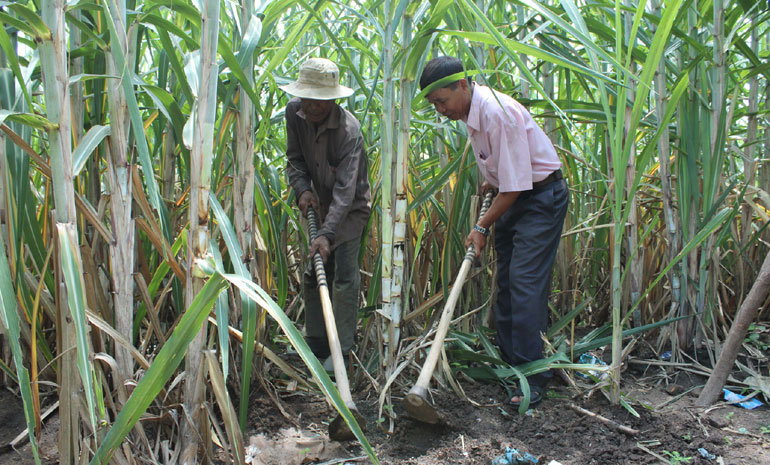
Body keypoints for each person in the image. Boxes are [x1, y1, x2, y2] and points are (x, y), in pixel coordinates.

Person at [419, 56, 568, 406]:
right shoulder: (470, 113)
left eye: (442, 101)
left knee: (524, 283)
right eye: (434, 105)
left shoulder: (497, 112)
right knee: (507, 282)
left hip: (538, 199)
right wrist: (491, 180)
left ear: (462, 85)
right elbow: (502, 167)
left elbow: (516, 186)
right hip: (513, 196)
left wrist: (480, 226)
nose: (441, 110)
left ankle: (533, 379)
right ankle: (512, 363)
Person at [280, 58, 371, 371]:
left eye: (319, 101)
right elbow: (294, 160)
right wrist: (302, 189)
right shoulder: (294, 113)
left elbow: (346, 193)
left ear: (333, 99)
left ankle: (342, 351)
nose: (311, 107)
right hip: (318, 202)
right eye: (306, 98)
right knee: (314, 273)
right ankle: (316, 342)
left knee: (343, 278)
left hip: (350, 212)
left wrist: (327, 233)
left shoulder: (349, 133)